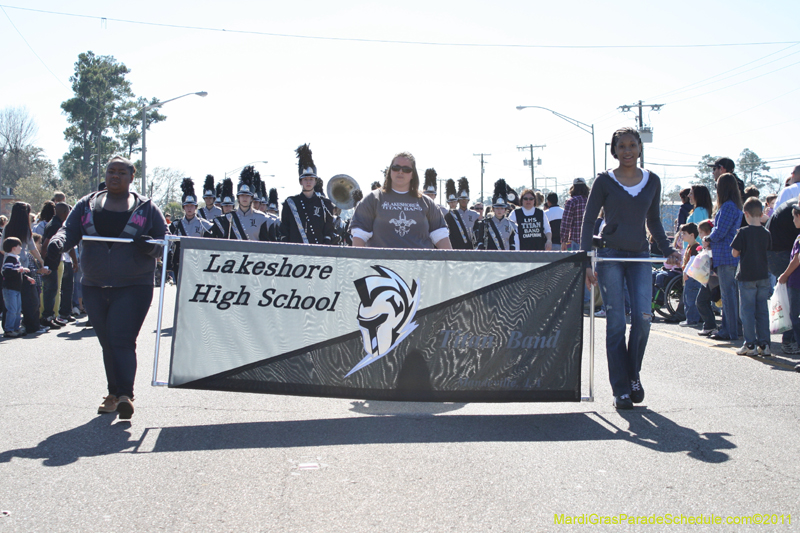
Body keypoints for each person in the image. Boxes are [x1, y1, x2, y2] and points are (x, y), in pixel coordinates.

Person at [46, 156, 167, 419]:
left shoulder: (147, 208)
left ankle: (125, 394)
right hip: (94, 284)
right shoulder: (87, 204)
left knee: (121, 338)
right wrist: (57, 243)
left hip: (134, 284)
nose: (115, 176)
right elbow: (68, 231)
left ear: (131, 176)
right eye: (111, 171)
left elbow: (165, 244)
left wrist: (151, 246)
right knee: (107, 342)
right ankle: (113, 394)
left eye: (121, 172)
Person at [583, 127, 680, 410]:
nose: (627, 150)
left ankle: (633, 374)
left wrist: (668, 250)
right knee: (615, 324)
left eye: (632, 145)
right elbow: (589, 221)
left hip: (639, 256)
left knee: (643, 318)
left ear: (639, 148)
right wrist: (586, 258)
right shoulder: (604, 181)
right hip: (610, 256)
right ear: (614, 150)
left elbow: (654, 222)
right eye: (621, 146)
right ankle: (621, 389)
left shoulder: (652, 181)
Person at [350, 151, 451, 249]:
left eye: (406, 169)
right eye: (396, 168)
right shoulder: (372, 199)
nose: (400, 172)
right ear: (390, 171)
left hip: (420, 265)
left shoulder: (427, 203)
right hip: (381, 264)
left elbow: (441, 238)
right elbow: (359, 237)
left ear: (413, 174)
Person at [703, 173, 744, 342]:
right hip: (730, 255)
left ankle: (729, 331)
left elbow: (720, 231)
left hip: (726, 256)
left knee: (728, 295)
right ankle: (734, 329)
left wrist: (708, 238)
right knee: (731, 295)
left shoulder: (727, 206)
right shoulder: (735, 205)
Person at [1, 202, 50, 335]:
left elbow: (1, 248)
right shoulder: (26, 229)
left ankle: (10, 326)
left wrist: (9, 256)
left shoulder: (7, 228)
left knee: (11, 301)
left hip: (10, 269)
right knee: (31, 299)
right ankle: (31, 326)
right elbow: (32, 247)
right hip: (23, 268)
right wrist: (40, 260)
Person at [731, 198, 771, 356]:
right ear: (761, 214)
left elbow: (734, 253)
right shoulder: (766, 233)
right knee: (762, 310)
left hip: (746, 275)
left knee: (747, 311)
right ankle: (765, 344)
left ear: (745, 214)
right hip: (763, 275)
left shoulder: (743, 232)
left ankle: (750, 344)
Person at [280, 144, 335, 245]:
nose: (308, 182)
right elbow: (284, 231)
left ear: (315, 181)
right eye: (305, 179)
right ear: (300, 181)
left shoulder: (325, 204)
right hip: (295, 255)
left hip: (318, 254)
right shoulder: (290, 203)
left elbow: (328, 231)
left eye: (311, 179)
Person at [2, 237, 35, 337]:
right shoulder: (9, 258)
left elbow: (17, 272)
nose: (21, 248)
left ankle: (16, 328)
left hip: (16, 289)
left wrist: (26, 278)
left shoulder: (15, 258)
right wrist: (19, 270)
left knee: (17, 310)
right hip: (9, 289)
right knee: (12, 310)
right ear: (13, 248)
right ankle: (9, 330)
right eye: (19, 246)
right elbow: (6, 272)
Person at [778, 204, 800, 357]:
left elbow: (797, 258)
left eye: (794, 216)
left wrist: (785, 274)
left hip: (796, 283)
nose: (793, 220)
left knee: (796, 317)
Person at [480, 180, 516, 250]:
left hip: (505, 258)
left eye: (502, 208)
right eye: (497, 208)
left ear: (505, 210)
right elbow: (480, 242)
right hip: (490, 258)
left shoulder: (511, 224)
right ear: (493, 209)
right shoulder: (485, 223)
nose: (499, 210)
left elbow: (512, 243)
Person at [678, 223, 702, 327]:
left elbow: (692, 262)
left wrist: (685, 272)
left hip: (692, 277)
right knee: (688, 298)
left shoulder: (695, 247)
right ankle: (691, 318)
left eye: (684, 233)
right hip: (689, 277)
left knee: (690, 299)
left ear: (692, 234)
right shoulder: (690, 246)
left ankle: (692, 319)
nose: (682, 236)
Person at [444, 178, 475, 249]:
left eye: (454, 201)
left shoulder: (461, 214)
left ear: (457, 201)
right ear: (448, 203)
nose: (453, 204)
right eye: (451, 202)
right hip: (454, 246)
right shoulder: (447, 216)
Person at [561, 178, 589, 251]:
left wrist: (564, 240)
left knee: (575, 262)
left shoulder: (571, 201)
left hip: (575, 240)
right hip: (590, 240)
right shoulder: (591, 201)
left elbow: (566, 223)